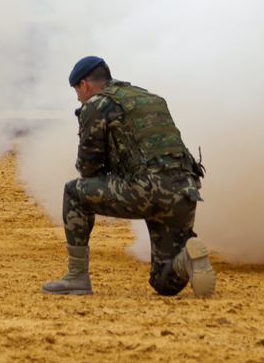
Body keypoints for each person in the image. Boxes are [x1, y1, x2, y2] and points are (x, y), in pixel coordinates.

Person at [40, 57, 213, 299]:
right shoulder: (150, 98)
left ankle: (76, 276)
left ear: (84, 85)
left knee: (74, 192)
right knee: (163, 283)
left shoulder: (96, 105)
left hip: (146, 189)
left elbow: (89, 168)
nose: (78, 98)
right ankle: (186, 258)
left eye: (77, 91)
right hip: (185, 191)